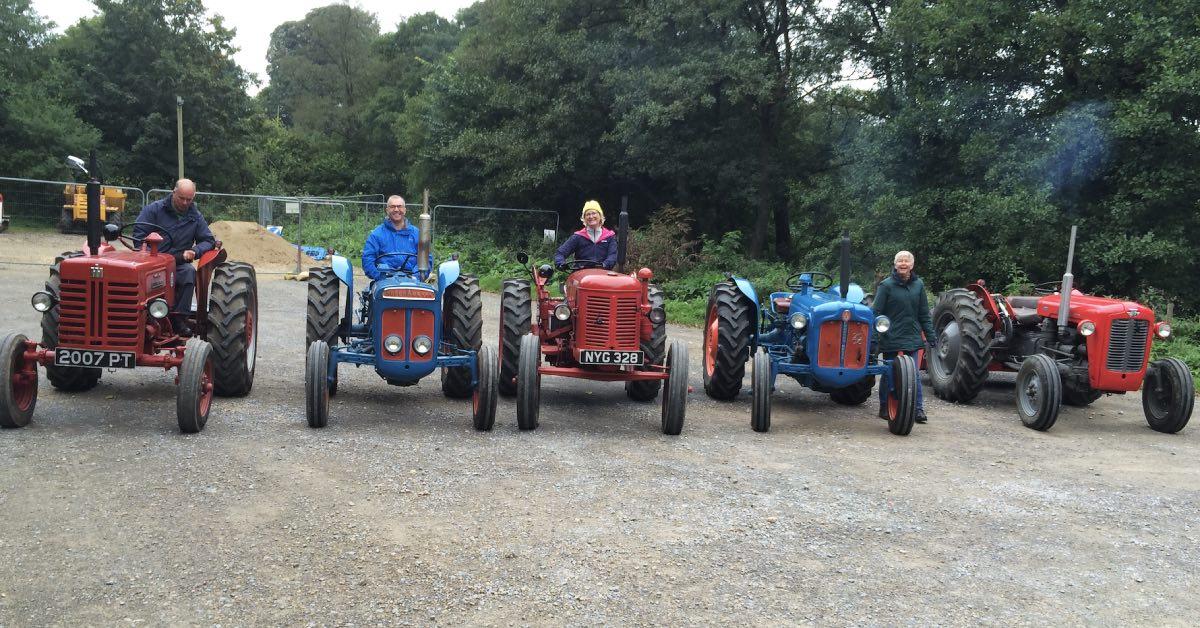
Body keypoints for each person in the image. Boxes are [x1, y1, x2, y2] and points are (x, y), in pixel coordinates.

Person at [133, 179, 215, 333]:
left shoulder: (195, 216)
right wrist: (149, 253)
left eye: (189, 199)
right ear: (174, 193)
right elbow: (139, 235)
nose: (185, 203)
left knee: (189, 272)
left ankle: (179, 319)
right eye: (181, 198)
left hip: (178, 262)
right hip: (152, 262)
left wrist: (195, 251)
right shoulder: (154, 210)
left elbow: (208, 240)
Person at [872, 250, 937, 423]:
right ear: (895, 265)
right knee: (890, 373)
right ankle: (885, 406)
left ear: (912, 265)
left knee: (913, 374)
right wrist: (874, 338)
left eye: (906, 261)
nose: (903, 263)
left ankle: (917, 409)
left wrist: (931, 336)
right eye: (900, 261)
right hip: (891, 336)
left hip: (912, 336)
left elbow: (923, 314)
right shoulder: (886, 285)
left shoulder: (918, 285)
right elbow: (876, 313)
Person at [362, 195, 430, 281]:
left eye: (399, 206)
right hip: (384, 280)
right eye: (392, 207)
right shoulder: (376, 235)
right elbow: (368, 259)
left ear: (405, 210)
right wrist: (380, 277)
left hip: (412, 280)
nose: (396, 209)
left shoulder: (417, 234)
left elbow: (427, 259)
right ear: (387, 210)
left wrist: (415, 277)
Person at [554, 200, 618, 270]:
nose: (591, 216)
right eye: (588, 214)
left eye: (594, 213)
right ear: (584, 218)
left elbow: (612, 256)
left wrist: (605, 265)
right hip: (581, 273)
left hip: (602, 273)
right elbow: (560, 253)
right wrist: (560, 263)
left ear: (600, 216)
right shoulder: (578, 237)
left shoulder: (610, 237)